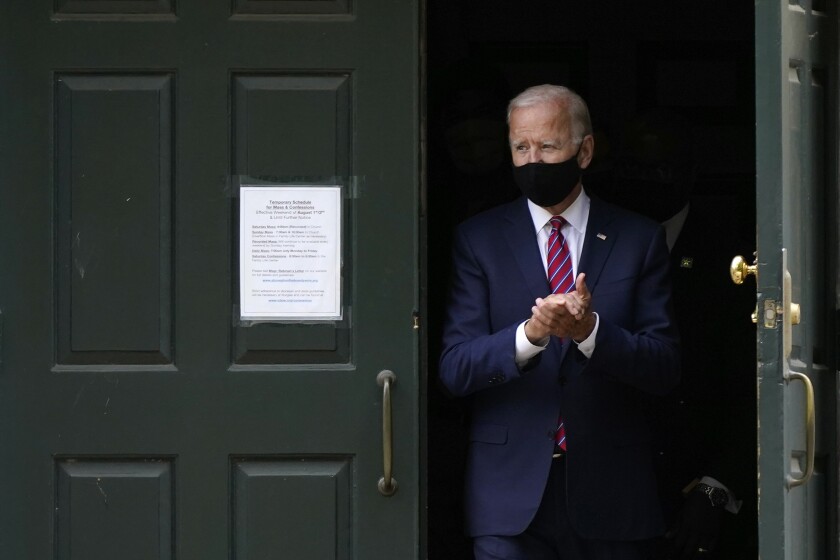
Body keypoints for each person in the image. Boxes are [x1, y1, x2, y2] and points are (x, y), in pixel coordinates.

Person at [438, 84, 681, 560]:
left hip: (612, 496)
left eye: (547, 147)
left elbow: (665, 366)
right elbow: (455, 369)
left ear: (584, 151)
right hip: (508, 499)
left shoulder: (638, 237)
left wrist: (590, 332)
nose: (532, 161)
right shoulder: (478, 240)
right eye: (520, 148)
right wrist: (530, 336)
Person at [607, 109, 757, 560]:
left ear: (690, 173)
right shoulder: (591, 245)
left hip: (699, 478)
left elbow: (753, 374)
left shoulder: (730, 256)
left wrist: (717, 485)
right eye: (634, 168)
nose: (647, 180)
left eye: (661, 168)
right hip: (610, 486)